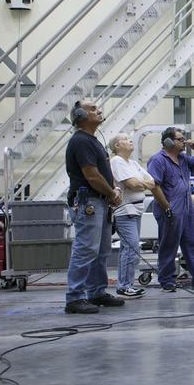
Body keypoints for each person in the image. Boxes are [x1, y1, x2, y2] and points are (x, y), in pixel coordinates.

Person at [63, 101, 126, 314]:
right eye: (92, 108)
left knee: (100, 250)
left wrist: (113, 191)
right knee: (86, 249)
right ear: (80, 115)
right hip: (88, 201)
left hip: (100, 201)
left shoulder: (93, 141)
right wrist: (111, 192)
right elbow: (91, 174)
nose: (98, 110)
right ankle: (75, 297)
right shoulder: (81, 141)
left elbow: (102, 172)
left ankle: (96, 292)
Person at [146, 127, 194, 292]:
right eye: (180, 139)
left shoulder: (183, 158)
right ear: (168, 141)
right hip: (170, 208)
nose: (183, 142)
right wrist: (167, 207)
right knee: (169, 245)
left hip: (187, 208)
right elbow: (154, 186)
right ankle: (167, 281)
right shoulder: (158, 160)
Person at [109, 133, 167, 297]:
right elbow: (132, 184)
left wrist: (140, 184)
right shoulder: (117, 162)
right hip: (125, 211)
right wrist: (141, 184)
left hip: (136, 210)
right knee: (131, 247)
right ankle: (124, 286)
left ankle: (127, 284)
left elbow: (153, 182)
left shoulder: (133, 163)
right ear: (117, 146)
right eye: (126, 139)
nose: (130, 141)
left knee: (130, 248)